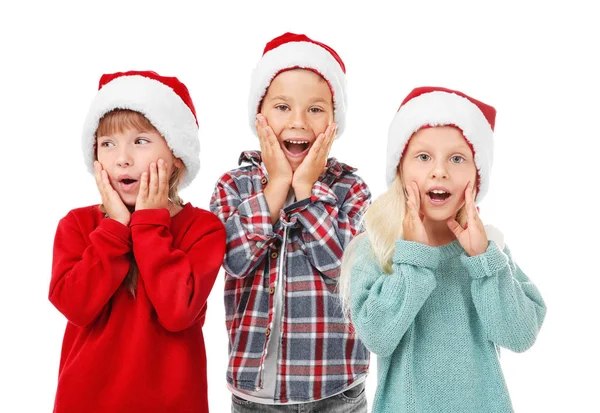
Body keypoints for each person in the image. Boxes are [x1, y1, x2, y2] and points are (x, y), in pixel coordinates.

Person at [340, 86, 547, 413]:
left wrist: (483, 261)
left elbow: (520, 335)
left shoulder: (489, 254)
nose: (440, 171)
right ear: (400, 169)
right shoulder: (376, 249)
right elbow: (378, 337)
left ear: (477, 178)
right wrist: (414, 258)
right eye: (423, 157)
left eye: (457, 158)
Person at [210, 33, 371, 412]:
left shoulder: (352, 189)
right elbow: (235, 260)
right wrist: (278, 184)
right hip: (255, 398)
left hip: (337, 390)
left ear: (334, 121)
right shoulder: (233, 185)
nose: (298, 121)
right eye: (283, 107)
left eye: (315, 110)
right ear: (259, 116)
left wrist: (306, 189)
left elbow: (342, 268)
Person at [49, 70, 226, 413]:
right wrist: (115, 227)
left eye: (140, 141)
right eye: (108, 143)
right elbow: (75, 306)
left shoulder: (203, 229)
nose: (122, 158)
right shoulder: (77, 225)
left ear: (176, 154)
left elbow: (177, 314)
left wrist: (147, 225)